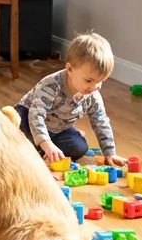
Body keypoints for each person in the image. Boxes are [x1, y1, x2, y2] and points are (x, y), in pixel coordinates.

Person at [14, 32, 128, 167]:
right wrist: (47, 144)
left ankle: (41, 149)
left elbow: (100, 121)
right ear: (69, 68)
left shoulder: (93, 95)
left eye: (100, 82)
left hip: (58, 129)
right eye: (89, 80)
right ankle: (38, 147)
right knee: (19, 137)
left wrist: (110, 152)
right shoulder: (51, 85)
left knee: (79, 147)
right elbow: (36, 115)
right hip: (29, 119)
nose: (94, 87)